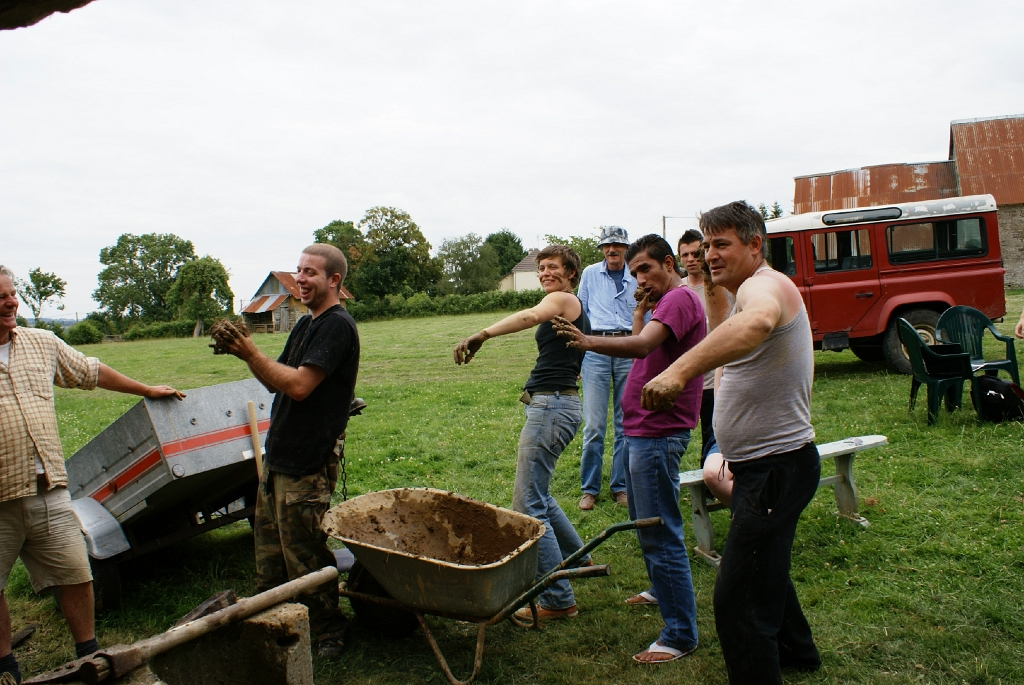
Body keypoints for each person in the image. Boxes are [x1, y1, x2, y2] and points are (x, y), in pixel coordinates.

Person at [641, 201, 822, 684]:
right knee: (765, 568)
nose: (710, 255)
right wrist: (723, 445)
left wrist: (678, 371)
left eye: (722, 244)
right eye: (706, 246)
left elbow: (759, 322)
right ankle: (796, 651)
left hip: (776, 469)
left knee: (738, 600)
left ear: (755, 244)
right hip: (762, 465)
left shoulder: (764, 286)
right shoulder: (740, 290)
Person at [0, 266, 184, 685]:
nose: (10, 303)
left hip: (47, 489)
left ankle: (90, 654)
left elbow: (90, 371)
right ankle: (5, 667)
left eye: (12, 294)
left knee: (77, 573)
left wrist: (146, 389)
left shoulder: (41, 343)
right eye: (0, 298)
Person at [553, 234, 703, 664]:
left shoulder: (678, 300)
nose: (639, 278)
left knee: (660, 532)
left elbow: (637, 347)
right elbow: (644, 348)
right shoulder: (661, 304)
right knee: (646, 524)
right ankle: (662, 591)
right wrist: (639, 309)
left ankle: (679, 633)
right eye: (635, 271)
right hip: (643, 430)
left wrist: (589, 342)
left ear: (669, 263)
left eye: (646, 269)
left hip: (658, 431)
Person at [212, 244, 359, 658]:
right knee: (270, 554)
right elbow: (275, 381)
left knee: (306, 555)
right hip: (278, 455)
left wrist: (250, 351)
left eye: (310, 272)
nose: (300, 279)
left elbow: (298, 385)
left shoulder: (337, 326)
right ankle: (276, 618)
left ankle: (328, 630)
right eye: (298, 271)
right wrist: (246, 353)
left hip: (307, 460)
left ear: (334, 280)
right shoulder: (304, 324)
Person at [454, 245, 591, 623]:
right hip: (555, 405)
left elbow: (532, 315)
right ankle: (579, 560)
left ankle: (558, 600)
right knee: (540, 495)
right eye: (542, 268)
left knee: (527, 505)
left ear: (571, 275)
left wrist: (482, 333)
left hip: (552, 407)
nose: (545, 273)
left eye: (554, 268)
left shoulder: (562, 300)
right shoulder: (570, 303)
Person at [576, 225, 636, 511]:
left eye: (617, 245)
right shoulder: (589, 274)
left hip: (627, 349)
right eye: (607, 245)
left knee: (625, 423)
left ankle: (620, 486)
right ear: (601, 248)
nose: (612, 249)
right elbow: (581, 312)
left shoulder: (635, 274)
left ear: (626, 247)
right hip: (596, 349)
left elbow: (646, 315)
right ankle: (589, 489)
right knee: (594, 425)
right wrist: (580, 355)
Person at [678, 229, 733, 461]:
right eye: (685, 255)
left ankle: (710, 480)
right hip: (685, 375)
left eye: (695, 253)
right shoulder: (676, 290)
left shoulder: (723, 286)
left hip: (714, 375)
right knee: (677, 434)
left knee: (713, 432)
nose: (691, 259)